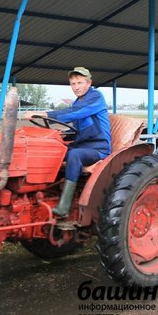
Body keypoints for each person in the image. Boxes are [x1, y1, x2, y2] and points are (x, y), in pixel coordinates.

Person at [23, 67, 111, 217]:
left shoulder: (96, 96)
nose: (76, 87)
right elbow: (78, 128)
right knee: (53, 152)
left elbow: (73, 113)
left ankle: (64, 206)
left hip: (98, 147)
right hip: (83, 144)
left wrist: (43, 114)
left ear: (89, 83)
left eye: (79, 83)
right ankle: (38, 195)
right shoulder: (79, 101)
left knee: (74, 155)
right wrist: (59, 135)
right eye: (72, 84)